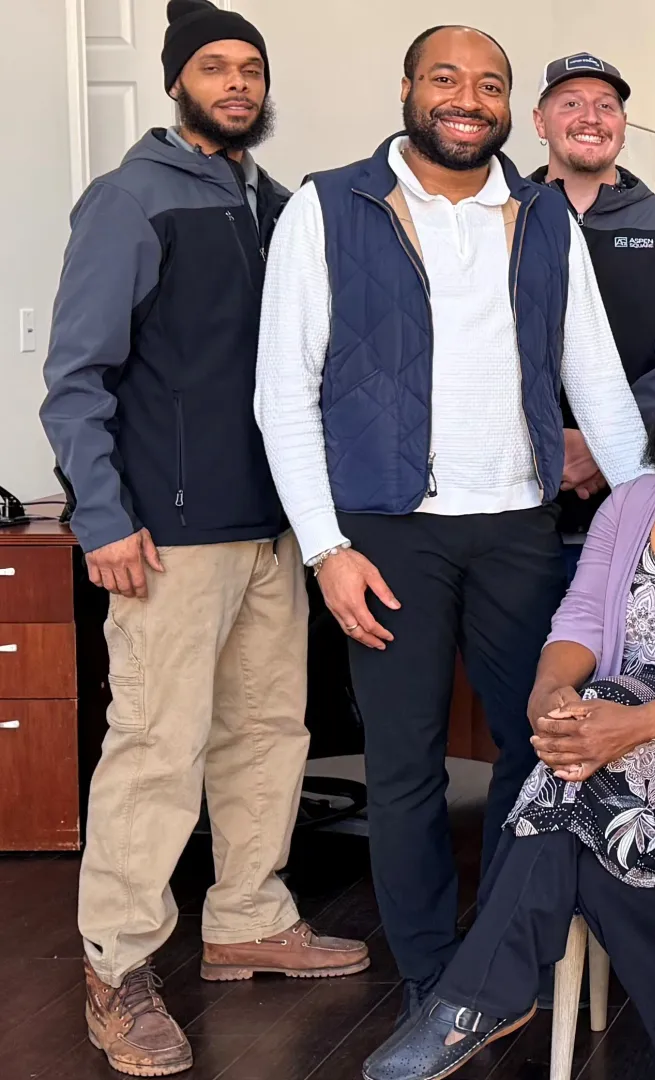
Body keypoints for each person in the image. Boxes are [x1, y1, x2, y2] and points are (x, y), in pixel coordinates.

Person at [253, 24, 647, 1020]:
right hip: (386, 532)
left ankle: (505, 955)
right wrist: (326, 548)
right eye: (446, 79)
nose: (466, 98)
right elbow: (282, 393)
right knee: (405, 765)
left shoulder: (544, 215)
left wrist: (644, 525)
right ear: (407, 90)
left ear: (509, 107)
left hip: (519, 524)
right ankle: (436, 978)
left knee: (540, 747)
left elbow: (595, 375)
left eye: (488, 84)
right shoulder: (328, 206)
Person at [360, 324, 655, 1080]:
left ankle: (478, 998)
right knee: (589, 787)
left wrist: (631, 726)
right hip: (618, 727)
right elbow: (580, 619)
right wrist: (551, 695)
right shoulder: (631, 505)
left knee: (574, 793)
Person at [38, 3, 369, 1074]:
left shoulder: (279, 205)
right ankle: (116, 964)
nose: (239, 85)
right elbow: (76, 380)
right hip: (166, 538)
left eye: (252, 70)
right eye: (217, 68)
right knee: (156, 748)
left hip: (271, 526)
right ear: (179, 82)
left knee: (271, 733)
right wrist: (102, 517)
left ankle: (245, 915)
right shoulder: (130, 200)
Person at [528, 52, 655, 574]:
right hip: (519, 494)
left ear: (622, 126)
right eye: (571, 103)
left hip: (641, 485)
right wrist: (549, 441)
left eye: (607, 106)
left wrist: (599, 439)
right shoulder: (505, 216)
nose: (591, 117)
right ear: (539, 122)